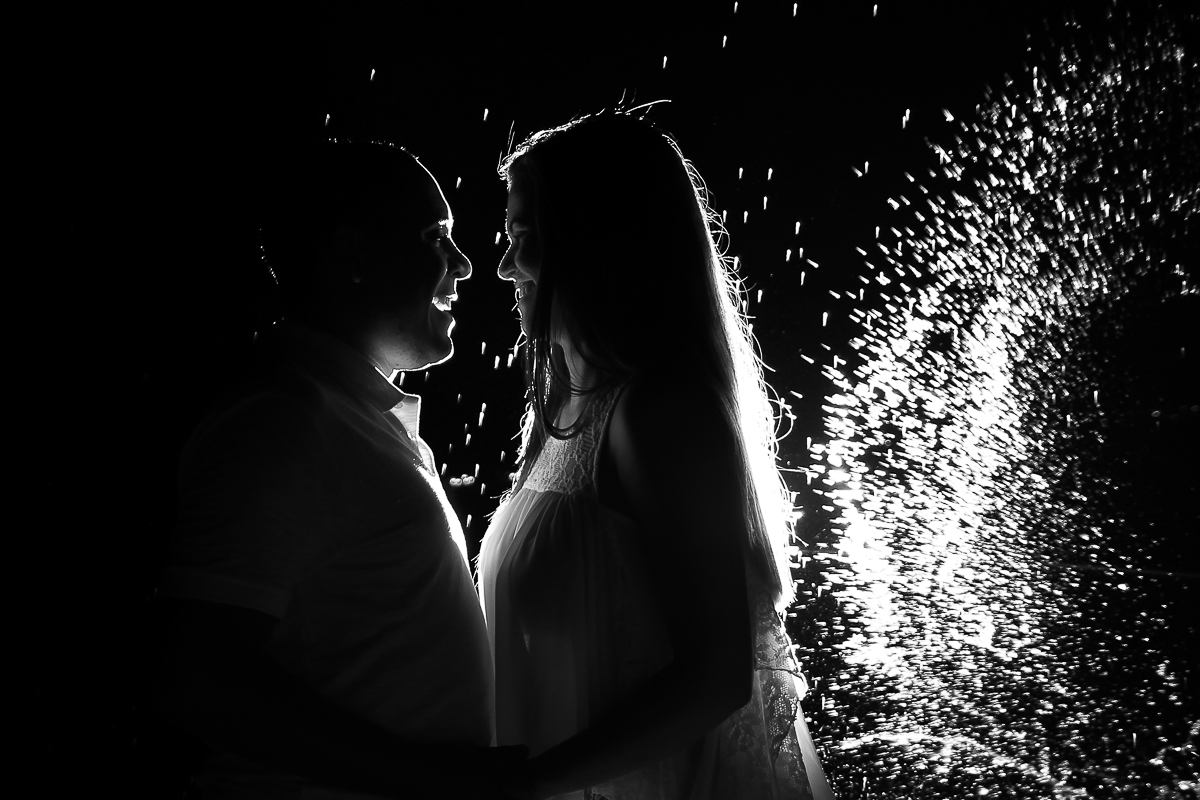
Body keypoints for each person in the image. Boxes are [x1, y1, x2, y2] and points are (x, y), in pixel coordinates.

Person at [477, 111, 836, 800]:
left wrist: (522, 785)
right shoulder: (560, 418)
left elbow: (715, 677)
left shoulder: (657, 414)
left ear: (592, 243)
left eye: (524, 238)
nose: (503, 267)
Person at [152, 140, 523, 799]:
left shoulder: (349, 417)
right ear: (353, 258)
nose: (464, 266)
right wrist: (434, 778)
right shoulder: (283, 424)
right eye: (437, 237)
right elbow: (198, 675)